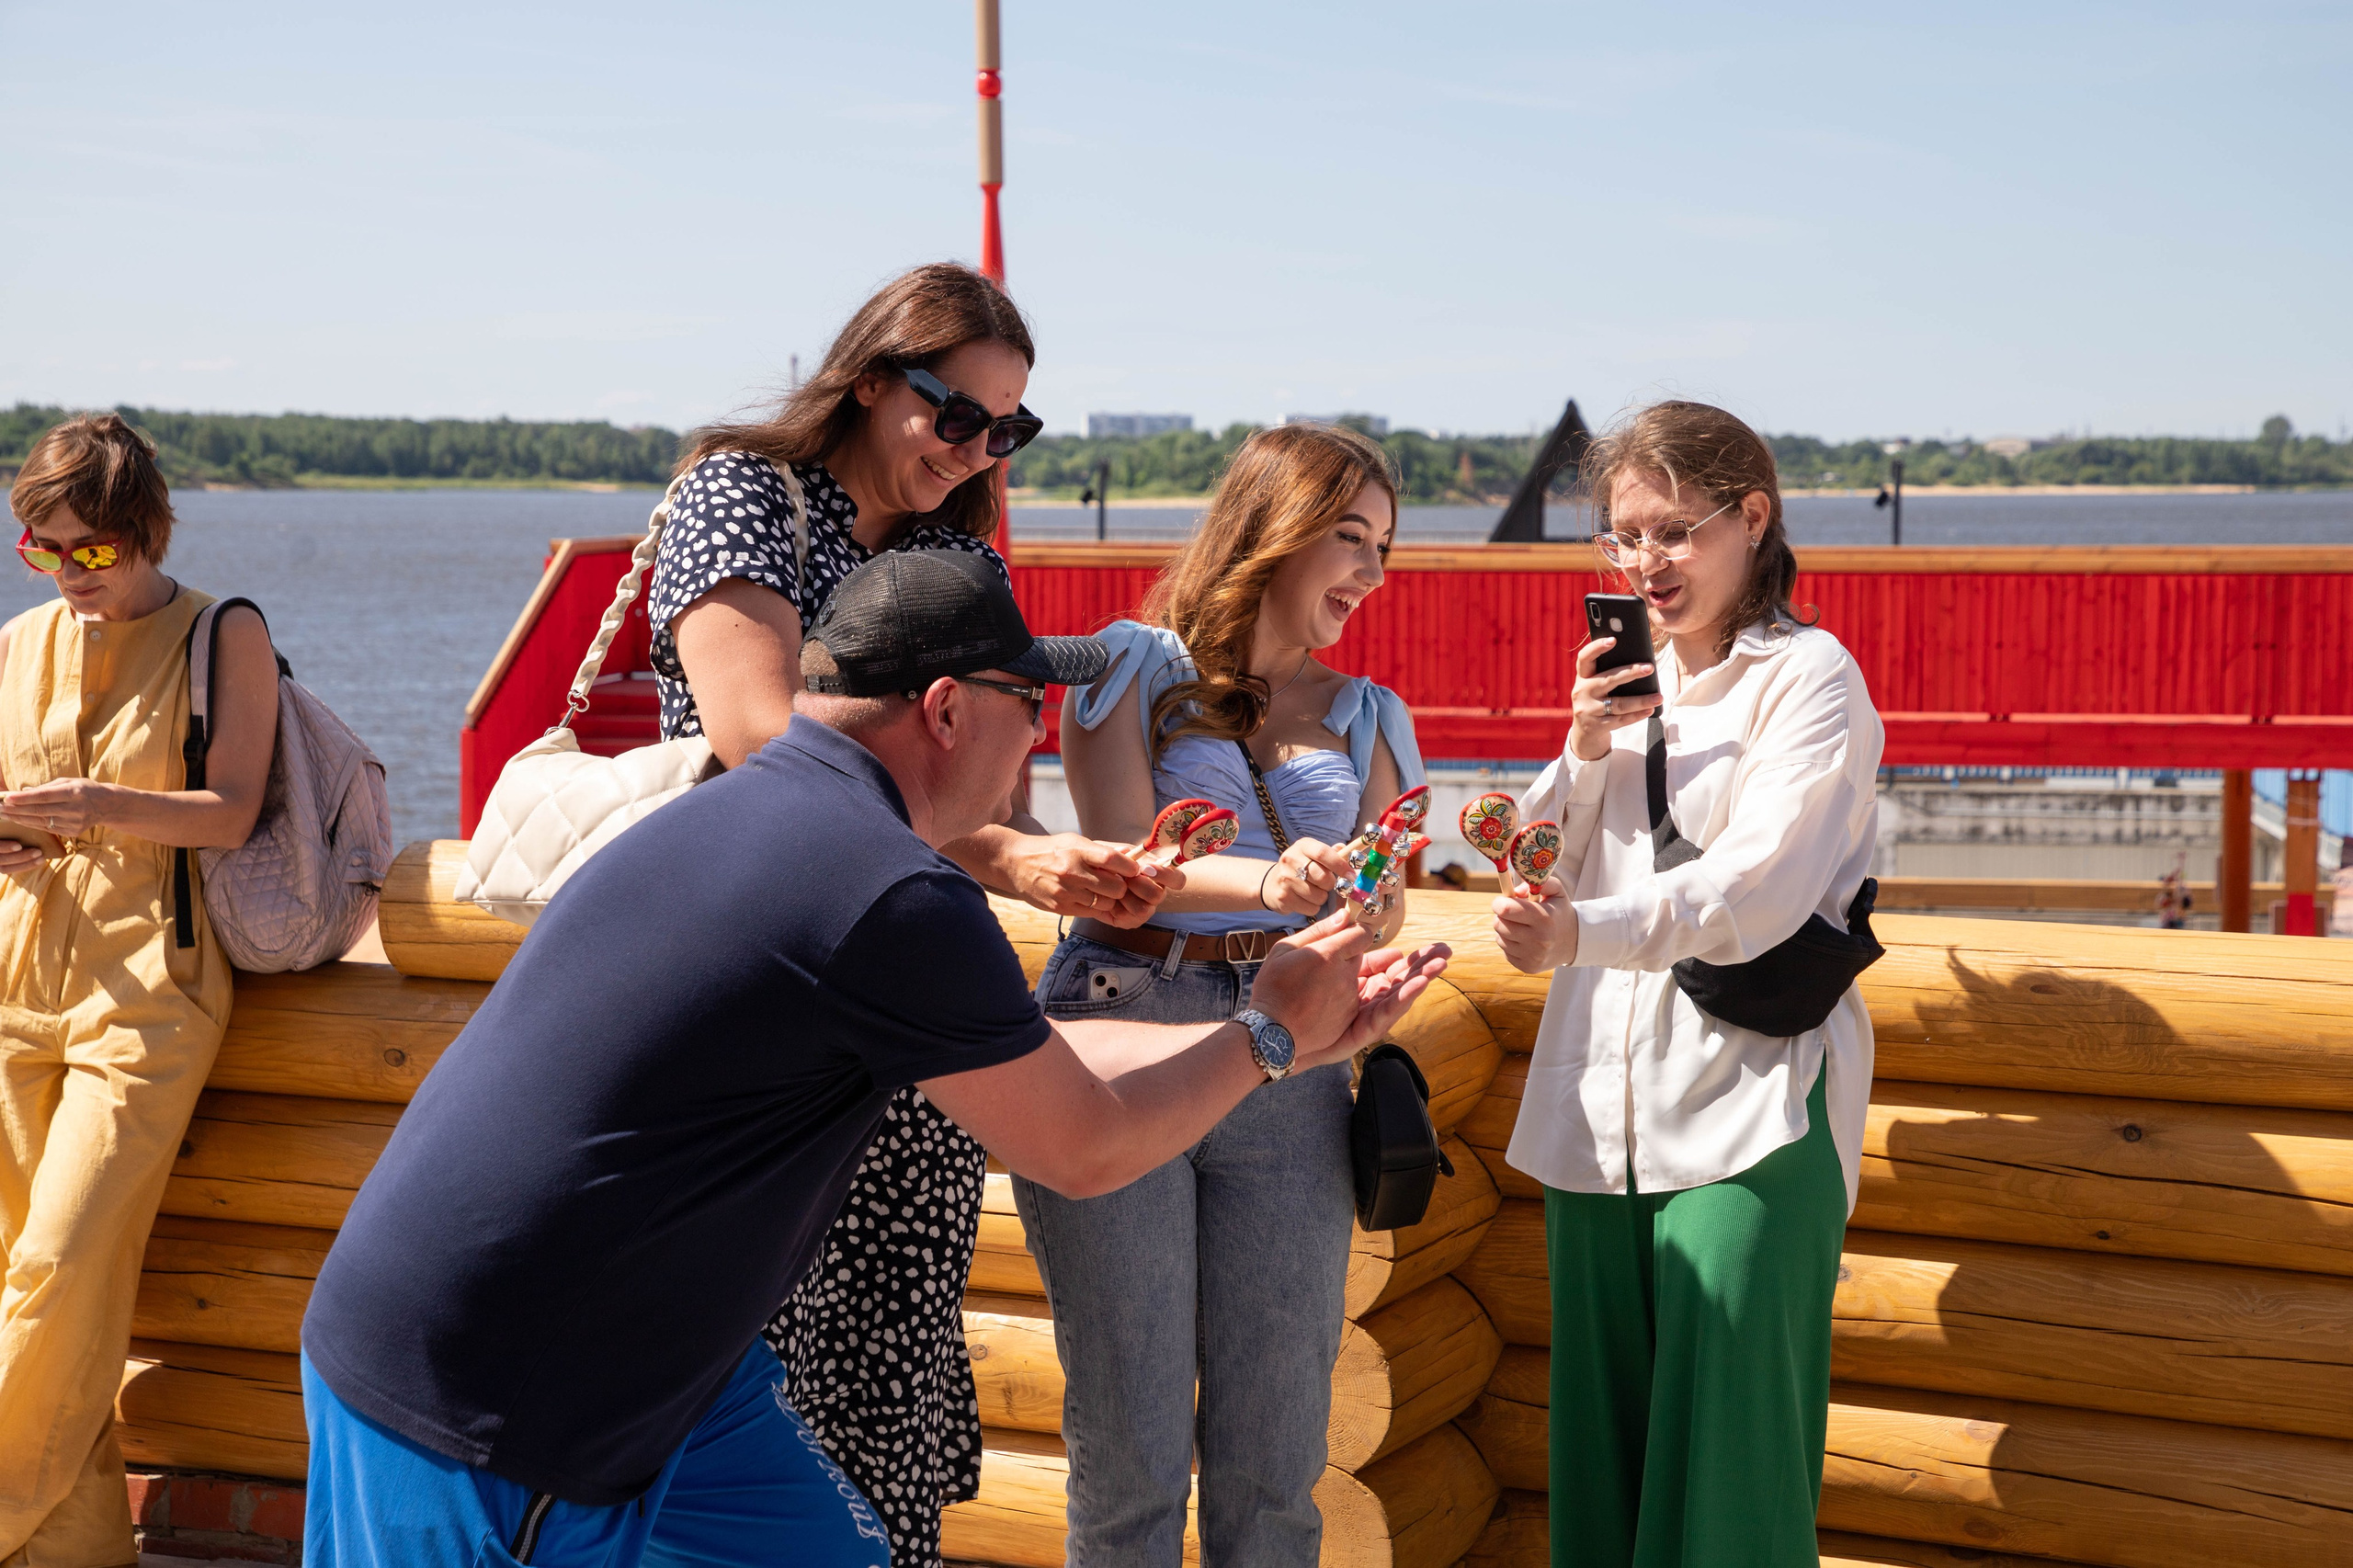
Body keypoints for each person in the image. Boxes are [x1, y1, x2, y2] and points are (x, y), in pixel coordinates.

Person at [298, 550, 1452, 1568]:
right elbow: (1085, 1146)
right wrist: (1265, 1035)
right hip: (500, 1390)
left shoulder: (779, 811)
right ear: (947, 709)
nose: (1040, 734)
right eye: (1026, 701)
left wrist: (1282, 1038)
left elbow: (1024, 1056)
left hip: (656, 1371)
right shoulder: (887, 890)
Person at [642, 261, 1165, 1565]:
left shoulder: (951, 549)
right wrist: (1014, 856)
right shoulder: (743, 495)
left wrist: (1067, 866)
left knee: (889, 1354)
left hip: (903, 999)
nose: (978, 448)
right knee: (742, 1369)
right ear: (871, 380)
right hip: (758, 983)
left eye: (1009, 430)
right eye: (956, 414)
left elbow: (980, 780)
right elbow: (763, 737)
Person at [1017, 421, 1426, 1566]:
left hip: (1296, 1055)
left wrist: (1372, 917)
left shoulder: (1369, 710)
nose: (1370, 573)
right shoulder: (1131, 664)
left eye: (1383, 546)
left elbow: (1382, 893)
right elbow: (1110, 856)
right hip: (1124, 1017)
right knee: (1132, 1454)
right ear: (1276, 529)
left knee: (1274, 1461)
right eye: (1349, 538)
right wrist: (1273, 874)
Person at [1489, 401, 1883, 1568]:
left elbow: (1755, 892)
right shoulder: (1629, 682)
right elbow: (1524, 855)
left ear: (1750, 519)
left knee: (1734, 1490)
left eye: (1673, 531)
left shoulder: (1811, 678)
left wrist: (1576, 935)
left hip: (1750, 1102)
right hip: (1594, 1115)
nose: (1643, 563)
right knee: (1598, 1477)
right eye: (1622, 537)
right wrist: (1583, 745)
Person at [0, 415, 279, 1564]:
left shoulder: (224, 632)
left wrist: (98, 804)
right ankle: (71, 1548)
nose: (67, 574)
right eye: (40, 549)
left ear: (141, 531)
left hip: (149, 997)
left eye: (89, 552)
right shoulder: (17, 644)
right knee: (41, 1284)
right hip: (13, 981)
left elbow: (234, 809)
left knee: (58, 1260)